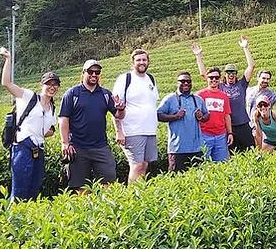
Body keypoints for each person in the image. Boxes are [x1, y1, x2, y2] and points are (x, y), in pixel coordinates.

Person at [0, 46, 59, 202]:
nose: (52, 87)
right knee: (18, 192)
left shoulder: (52, 107)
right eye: (48, 84)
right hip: (22, 149)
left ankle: (26, 223)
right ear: (42, 85)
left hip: (38, 151)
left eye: (55, 84)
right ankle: (11, 223)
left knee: (33, 191)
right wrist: (8, 59)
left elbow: (48, 130)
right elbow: (6, 83)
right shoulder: (28, 97)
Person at [59, 59, 126, 191]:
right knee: (81, 188)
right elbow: (63, 119)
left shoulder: (105, 94)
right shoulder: (72, 94)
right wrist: (65, 142)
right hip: (78, 147)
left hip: (100, 146)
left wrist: (121, 108)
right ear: (83, 72)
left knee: (109, 184)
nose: (94, 75)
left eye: (97, 72)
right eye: (91, 72)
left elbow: (119, 116)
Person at [192, 35, 255, 152]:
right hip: (227, 126)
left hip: (242, 123)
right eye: (228, 72)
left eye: (233, 72)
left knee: (250, 150)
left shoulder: (241, 84)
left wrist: (245, 48)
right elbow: (204, 74)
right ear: (224, 75)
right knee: (230, 154)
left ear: (236, 74)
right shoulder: (219, 86)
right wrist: (198, 56)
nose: (231, 75)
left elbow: (251, 66)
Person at [112, 49, 159, 183]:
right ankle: (131, 197)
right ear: (132, 63)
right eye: (138, 60)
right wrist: (119, 131)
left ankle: (140, 195)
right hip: (132, 130)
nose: (141, 62)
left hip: (149, 130)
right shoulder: (125, 79)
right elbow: (116, 108)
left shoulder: (151, 79)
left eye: (144, 60)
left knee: (144, 165)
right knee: (136, 165)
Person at [157, 72, 210, 172]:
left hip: (197, 148)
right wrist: (175, 116)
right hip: (177, 149)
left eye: (188, 81)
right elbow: (158, 115)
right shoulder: (170, 98)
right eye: (182, 81)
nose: (186, 83)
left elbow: (207, 115)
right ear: (177, 83)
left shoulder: (198, 99)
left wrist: (202, 117)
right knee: (176, 179)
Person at [246, 69, 276, 143]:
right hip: (249, 125)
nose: (265, 80)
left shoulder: (271, 95)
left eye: (268, 79)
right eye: (263, 78)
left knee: (261, 150)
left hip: (262, 128)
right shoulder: (248, 91)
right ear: (258, 78)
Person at [196, 67, 233, 162]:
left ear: (220, 79)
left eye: (216, 77)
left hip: (220, 135)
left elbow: (227, 115)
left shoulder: (224, 96)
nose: (214, 80)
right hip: (204, 134)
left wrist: (230, 133)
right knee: (203, 163)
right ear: (207, 79)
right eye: (211, 77)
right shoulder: (200, 95)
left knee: (221, 164)